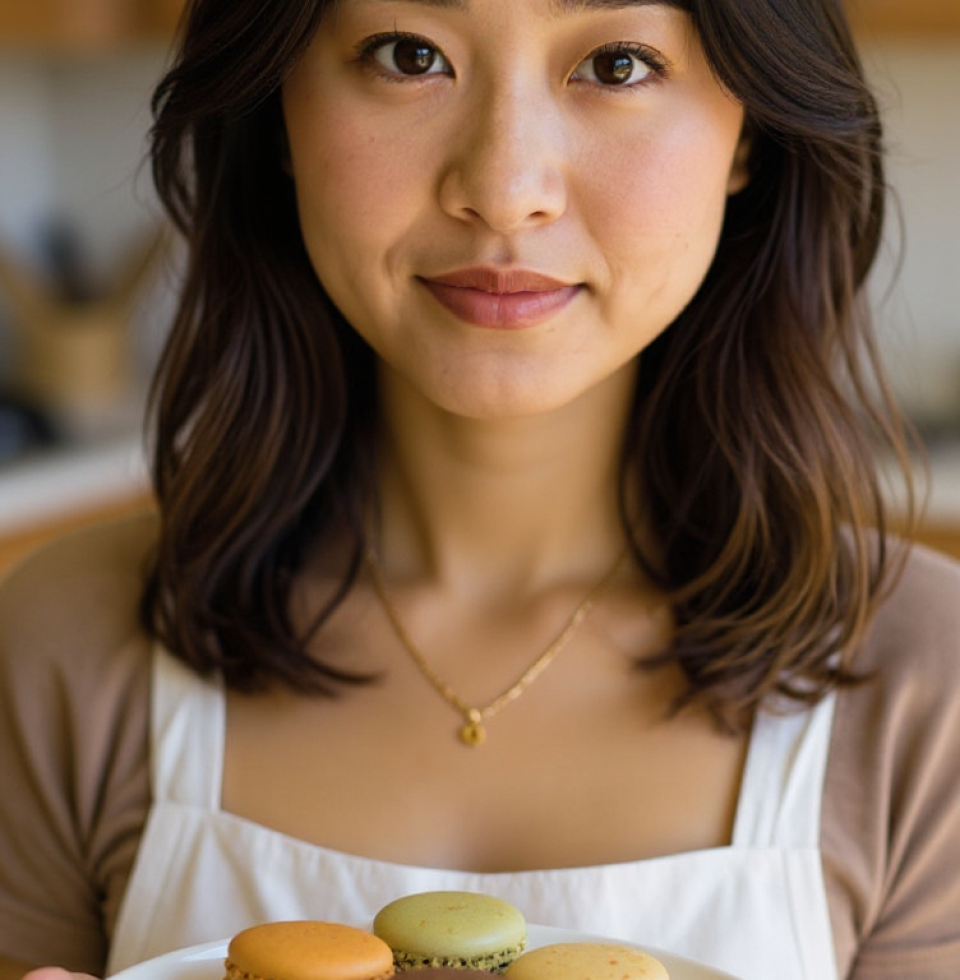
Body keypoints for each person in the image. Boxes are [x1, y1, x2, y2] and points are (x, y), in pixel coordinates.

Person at [1, 0, 959, 977]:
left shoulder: (928, 685)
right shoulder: (65, 642)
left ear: (749, 130)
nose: (502, 191)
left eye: (618, 64)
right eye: (409, 55)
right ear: (277, 112)